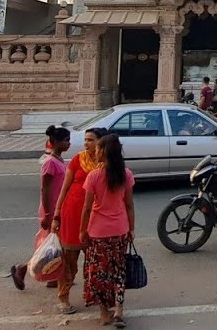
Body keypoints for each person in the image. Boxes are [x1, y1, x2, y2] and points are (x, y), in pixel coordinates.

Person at [81, 134, 136, 328]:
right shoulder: (126, 174)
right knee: (118, 271)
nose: (94, 152)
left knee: (100, 273)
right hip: (120, 229)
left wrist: (82, 232)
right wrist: (131, 228)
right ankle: (119, 310)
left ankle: (104, 313)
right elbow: (129, 205)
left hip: (98, 232)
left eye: (97, 149)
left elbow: (87, 208)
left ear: (103, 152)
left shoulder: (94, 176)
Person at [51, 127, 108, 315]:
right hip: (72, 214)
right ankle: (63, 297)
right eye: (85, 140)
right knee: (69, 261)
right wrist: (57, 214)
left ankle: (93, 295)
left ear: (102, 142)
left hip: (96, 217)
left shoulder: (107, 164)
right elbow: (64, 188)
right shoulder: (77, 160)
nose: (86, 144)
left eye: (91, 140)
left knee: (94, 261)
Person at [12, 125, 71, 291]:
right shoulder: (50, 163)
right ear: (57, 142)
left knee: (56, 245)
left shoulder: (59, 160)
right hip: (50, 209)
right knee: (49, 246)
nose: (69, 144)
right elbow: (45, 189)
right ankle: (22, 269)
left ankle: (54, 275)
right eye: (66, 141)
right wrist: (47, 213)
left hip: (59, 207)